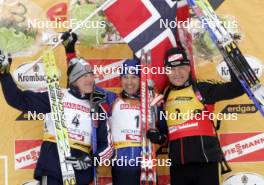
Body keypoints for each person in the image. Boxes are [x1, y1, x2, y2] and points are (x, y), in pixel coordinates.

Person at [0, 50, 115, 185]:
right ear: (73, 79)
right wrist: (5, 74)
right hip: (50, 169)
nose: (89, 79)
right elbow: (18, 99)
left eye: (91, 75)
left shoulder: (98, 109)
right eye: (84, 76)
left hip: (79, 175)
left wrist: (89, 160)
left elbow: (108, 148)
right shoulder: (57, 96)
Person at [147, 47, 245, 185]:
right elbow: (167, 131)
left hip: (205, 162)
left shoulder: (202, 88)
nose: (177, 73)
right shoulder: (165, 93)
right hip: (178, 165)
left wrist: (229, 57)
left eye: (181, 67)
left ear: (188, 68)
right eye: (172, 69)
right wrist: (159, 137)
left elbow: (238, 88)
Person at [110, 59, 142, 185]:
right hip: (121, 166)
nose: (129, 82)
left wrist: (159, 137)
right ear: (120, 79)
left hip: (147, 167)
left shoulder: (152, 101)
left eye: (134, 77)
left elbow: (163, 133)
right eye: (125, 77)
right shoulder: (112, 100)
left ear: (140, 79)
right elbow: (82, 86)